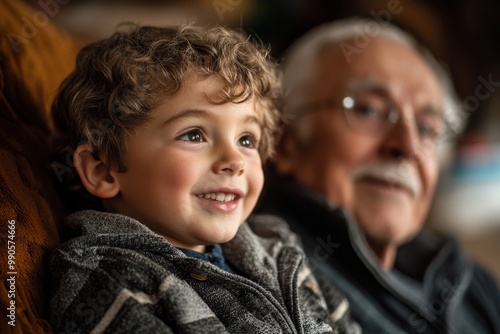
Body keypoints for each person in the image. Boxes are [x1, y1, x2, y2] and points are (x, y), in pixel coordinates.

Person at [48, 24, 361, 333]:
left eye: (247, 140)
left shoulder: (280, 248)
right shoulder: (106, 277)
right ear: (102, 170)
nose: (235, 161)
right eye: (194, 134)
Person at [256, 18, 500, 334]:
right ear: (284, 141)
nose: (408, 146)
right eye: (368, 110)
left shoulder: (471, 282)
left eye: (427, 128)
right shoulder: (264, 288)